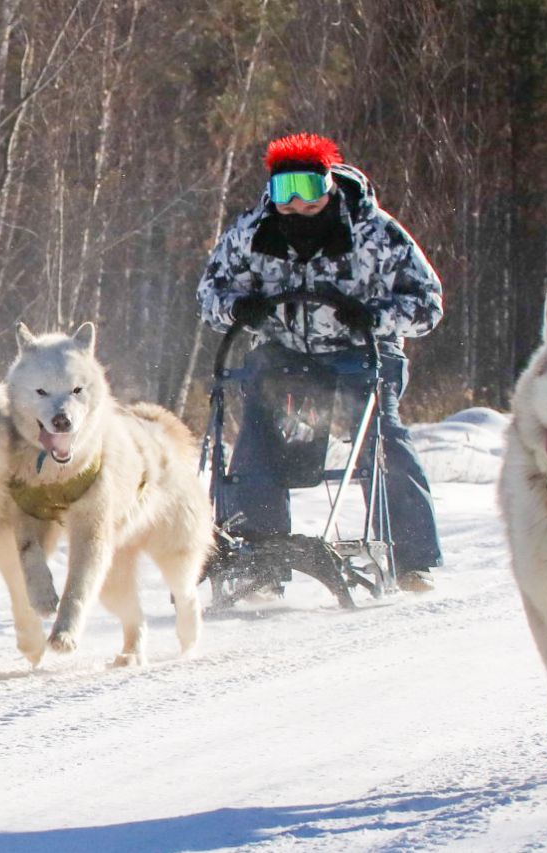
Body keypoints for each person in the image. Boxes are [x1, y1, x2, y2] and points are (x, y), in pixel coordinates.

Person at [196, 132, 444, 592]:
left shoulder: (376, 232)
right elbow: (209, 295)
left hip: (363, 356)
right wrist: (239, 308)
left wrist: (375, 316)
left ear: (328, 185)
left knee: (382, 440)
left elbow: (428, 303)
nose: (295, 204)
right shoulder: (251, 233)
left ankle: (413, 562)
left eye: (308, 189)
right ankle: (258, 559)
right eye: (282, 192)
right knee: (254, 444)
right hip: (282, 358)